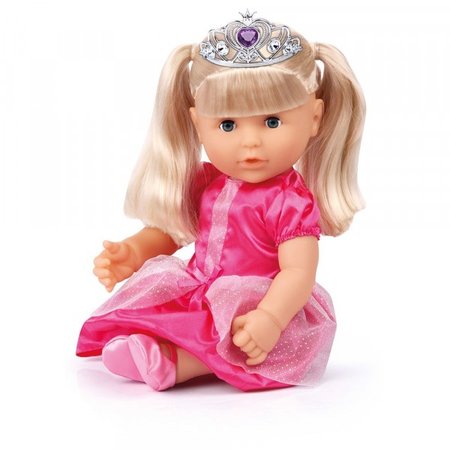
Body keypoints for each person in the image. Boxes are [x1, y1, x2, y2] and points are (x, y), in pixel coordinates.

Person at [76, 11, 365, 392]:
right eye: (228, 125)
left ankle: (175, 363)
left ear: (315, 118)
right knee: (167, 311)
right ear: (198, 124)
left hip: (261, 303)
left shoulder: (290, 202)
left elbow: (298, 272)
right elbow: (173, 232)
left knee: (242, 340)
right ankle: (154, 345)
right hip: (200, 289)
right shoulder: (205, 182)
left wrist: (271, 317)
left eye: (272, 122)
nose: (250, 142)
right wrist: (134, 252)